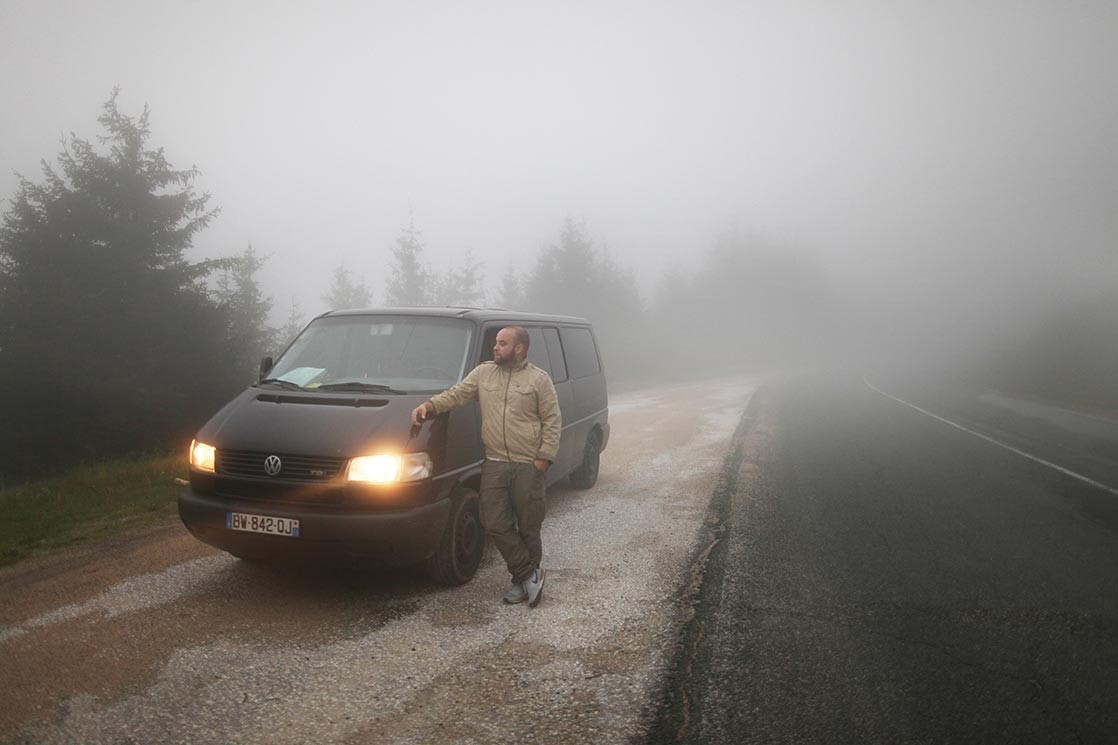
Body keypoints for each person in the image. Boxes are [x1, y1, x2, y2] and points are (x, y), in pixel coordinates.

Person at [411, 326, 561, 607]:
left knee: (529, 525)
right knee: (493, 521)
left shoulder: (539, 379)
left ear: (519, 348)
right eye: (496, 343)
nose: (495, 347)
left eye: (502, 343)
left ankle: (521, 582)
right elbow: (456, 394)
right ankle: (529, 574)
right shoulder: (484, 373)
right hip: (495, 462)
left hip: (528, 464)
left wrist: (544, 458)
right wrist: (429, 407)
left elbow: (552, 420)